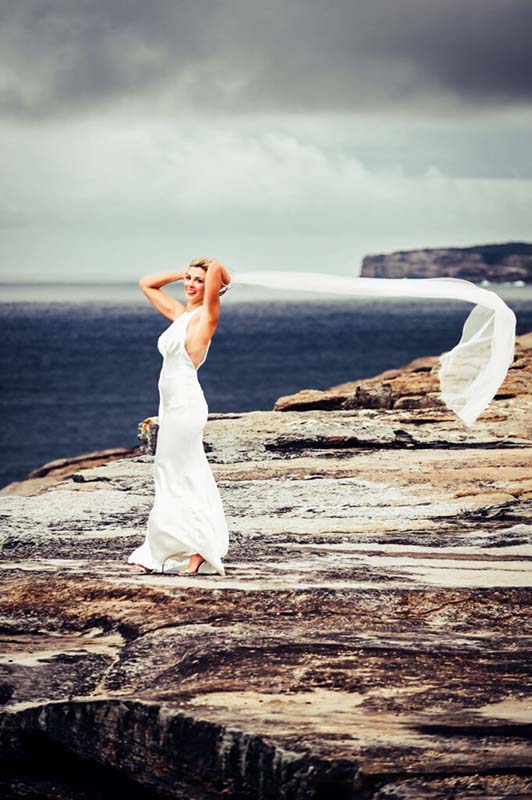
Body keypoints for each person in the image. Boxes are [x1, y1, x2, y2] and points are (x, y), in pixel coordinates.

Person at [127, 257, 232, 577]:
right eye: (187, 279)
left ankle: (173, 551)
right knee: (172, 475)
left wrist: (215, 272)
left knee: (181, 475)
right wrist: (186, 272)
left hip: (186, 407)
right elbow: (147, 282)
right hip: (170, 407)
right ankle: (181, 549)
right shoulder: (181, 316)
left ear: (212, 288)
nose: (189, 284)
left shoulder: (207, 318)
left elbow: (217, 273)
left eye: (197, 281)